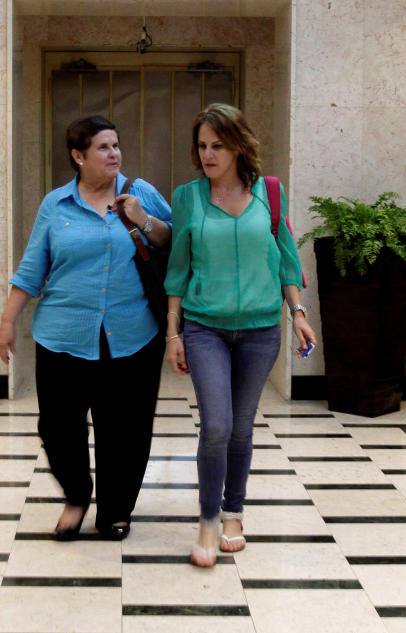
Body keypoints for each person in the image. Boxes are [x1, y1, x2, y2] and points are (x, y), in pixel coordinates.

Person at [0, 115, 172, 541]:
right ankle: (76, 495)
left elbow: (175, 242)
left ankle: (115, 510)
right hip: (63, 335)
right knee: (57, 428)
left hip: (132, 335)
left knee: (126, 430)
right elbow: (33, 266)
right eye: (103, 148)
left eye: (116, 145)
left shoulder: (140, 192)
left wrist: (142, 219)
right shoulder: (56, 205)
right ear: (78, 156)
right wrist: (8, 319)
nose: (114, 154)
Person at [164, 104, 317, 567]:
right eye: (202, 145)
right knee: (216, 425)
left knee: (242, 427)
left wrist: (298, 312)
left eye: (218, 145)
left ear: (238, 146)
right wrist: (173, 334)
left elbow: (286, 257)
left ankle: (234, 512)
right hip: (205, 326)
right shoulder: (188, 197)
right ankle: (208, 521)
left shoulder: (270, 193)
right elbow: (178, 268)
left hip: (260, 331)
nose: (208, 154)